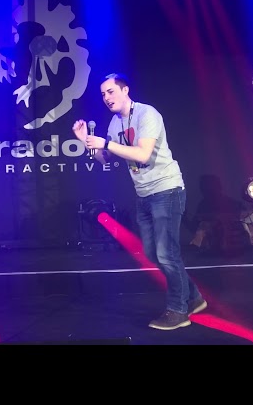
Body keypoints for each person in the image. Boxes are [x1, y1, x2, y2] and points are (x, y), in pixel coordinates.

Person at [72, 72, 206, 331]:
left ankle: (178, 311)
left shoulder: (147, 114)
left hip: (166, 189)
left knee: (166, 254)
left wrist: (106, 143)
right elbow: (105, 158)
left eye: (111, 91)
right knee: (153, 253)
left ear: (125, 90)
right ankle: (194, 297)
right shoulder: (114, 124)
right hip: (143, 194)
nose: (106, 97)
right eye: (103, 94)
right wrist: (85, 141)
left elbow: (143, 155)